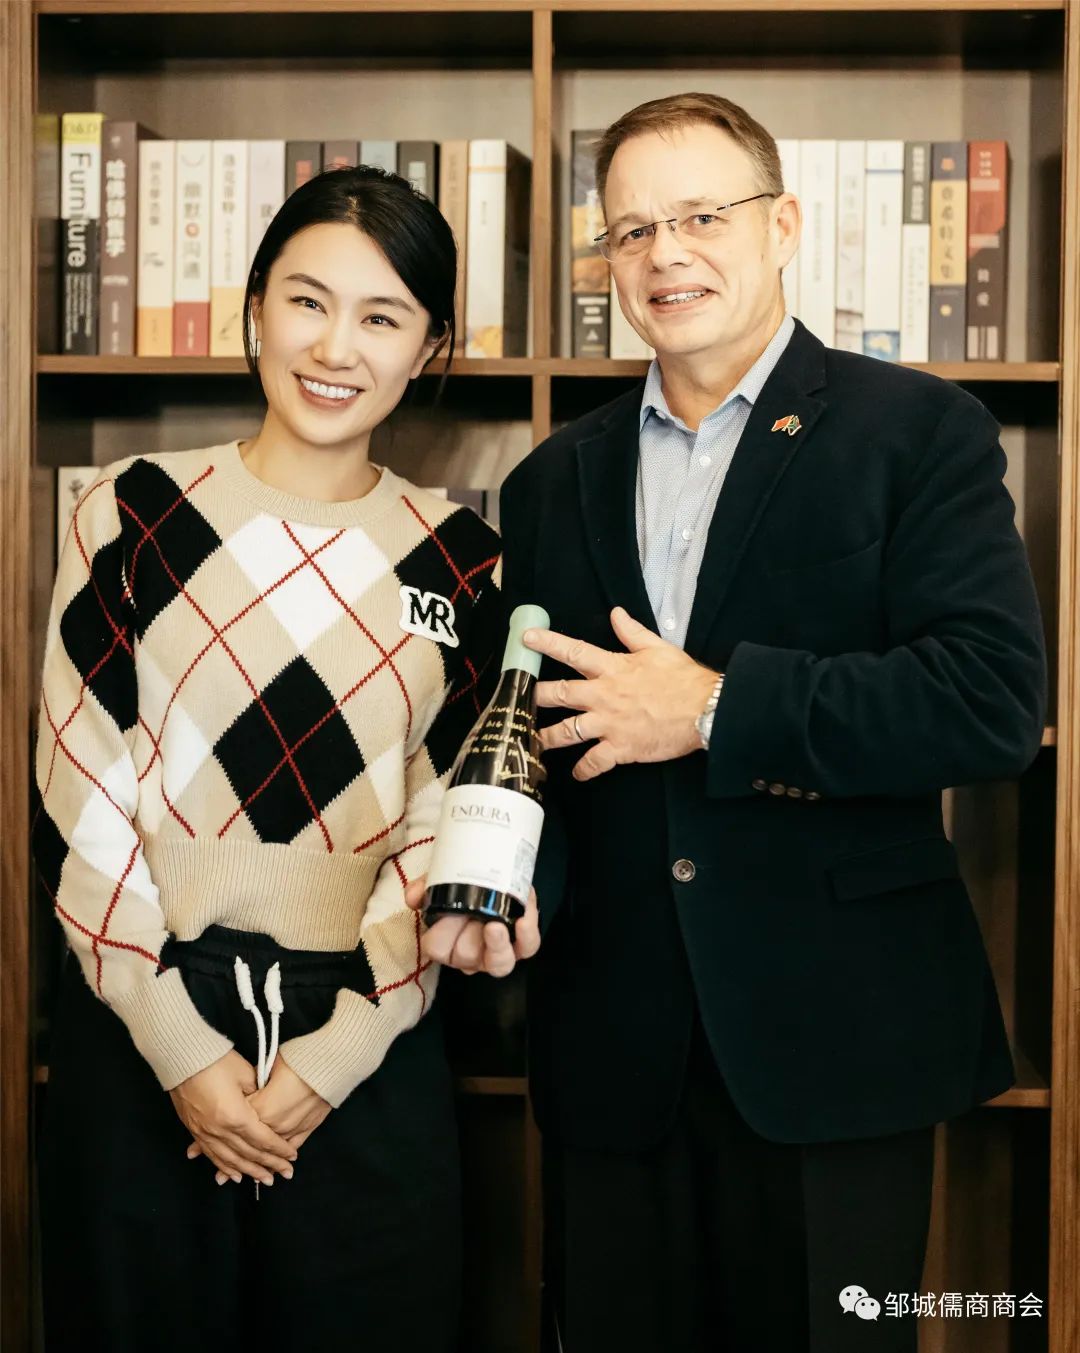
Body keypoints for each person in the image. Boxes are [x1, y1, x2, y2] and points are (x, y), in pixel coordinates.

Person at [432, 95, 1047, 1352]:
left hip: (840, 1038)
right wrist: (510, 888)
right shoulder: (550, 480)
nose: (667, 253)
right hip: (614, 1046)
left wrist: (714, 705)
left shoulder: (917, 430)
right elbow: (544, 734)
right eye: (633, 231)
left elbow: (987, 701)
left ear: (784, 227)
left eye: (704, 216)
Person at [32, 163, 536, 1353]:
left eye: (382, 317)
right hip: (140, 1021)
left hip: (367, 1045)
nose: (335, 347)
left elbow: (450, 823)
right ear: (254, 304)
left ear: (430, 348)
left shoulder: (463, 560)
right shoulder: (131, 511)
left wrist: (336, 1055)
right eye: (307, 300)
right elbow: (81, 789)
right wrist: (181, 1050)